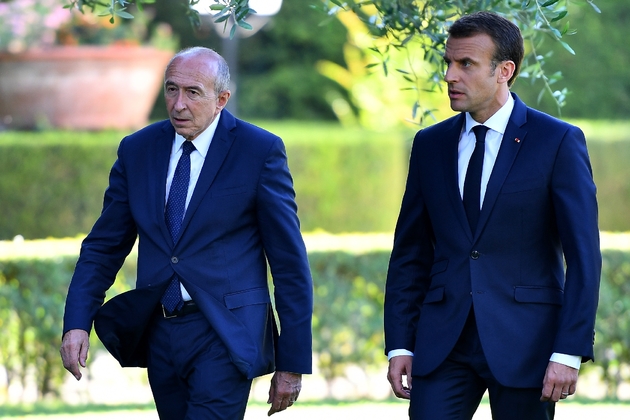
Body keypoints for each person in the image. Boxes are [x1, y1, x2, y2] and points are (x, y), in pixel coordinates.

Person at [60, 46, 313, 419]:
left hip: (226, 333)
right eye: (171, 89)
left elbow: (289, 263)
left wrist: (291, 361)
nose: (178, 104)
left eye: (193, 93)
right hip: (160, 331)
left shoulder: (259, 151)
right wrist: (77, 322)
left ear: (221, 99)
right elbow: (103, 247)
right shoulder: (137, 150)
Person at [384, 11, 600, 420]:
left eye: (466, 64)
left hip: (528, 344)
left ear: (505, 70)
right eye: (448, 62)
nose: (450, 75)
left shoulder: (557, 141)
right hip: (442, 343)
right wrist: (400, 344)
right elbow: (410, 253)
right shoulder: (430, 145)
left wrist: (569, 350)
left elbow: (584, 257)